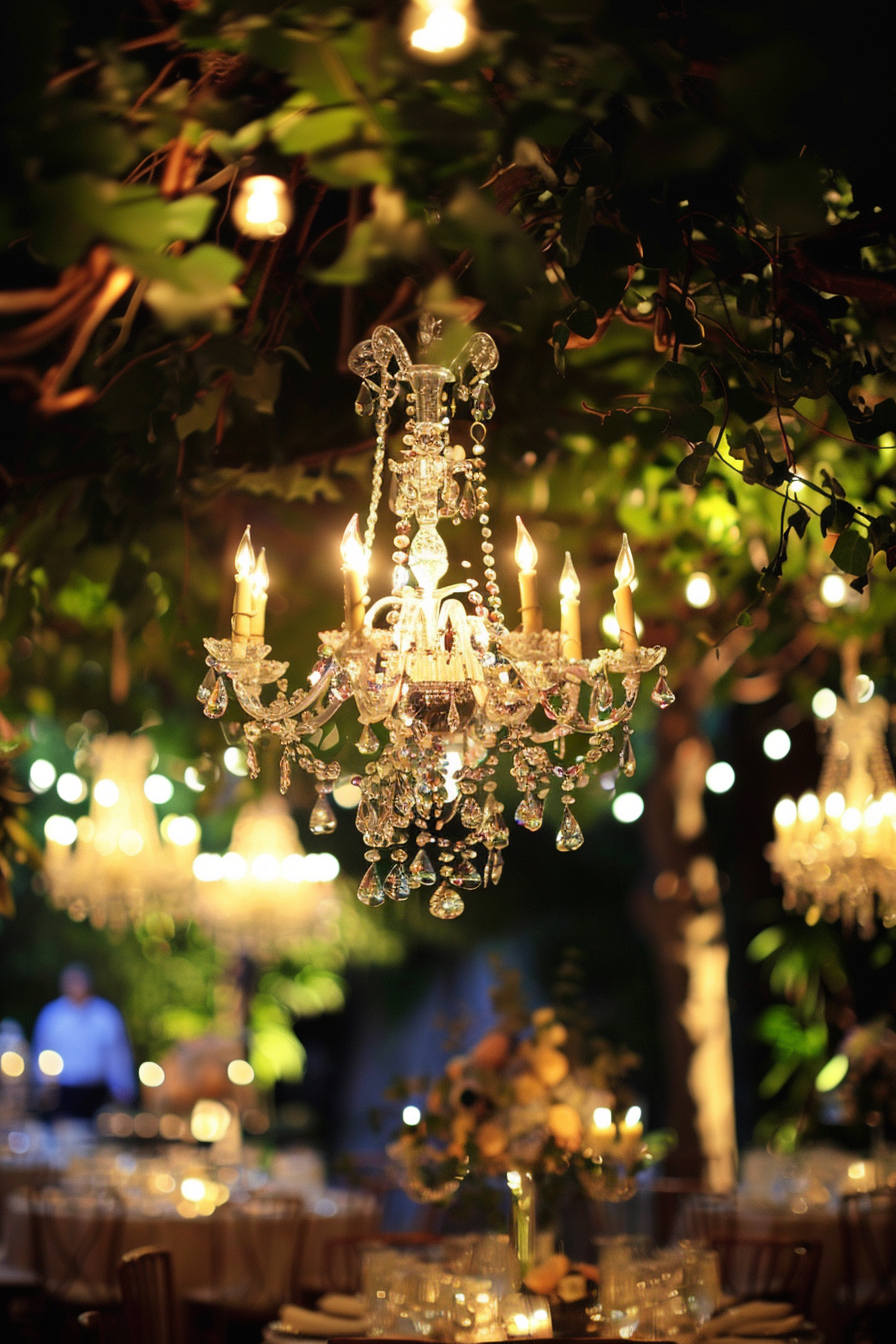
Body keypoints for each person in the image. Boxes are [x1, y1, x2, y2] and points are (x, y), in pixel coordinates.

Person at [31, 964, 135, 1119]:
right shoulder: (52, 1016)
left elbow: (118, 1055)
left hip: (97, 1090)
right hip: (63, 1091)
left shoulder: (106, 1015)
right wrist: (43, 1087)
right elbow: (42, 1051)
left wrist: (123, 1089)